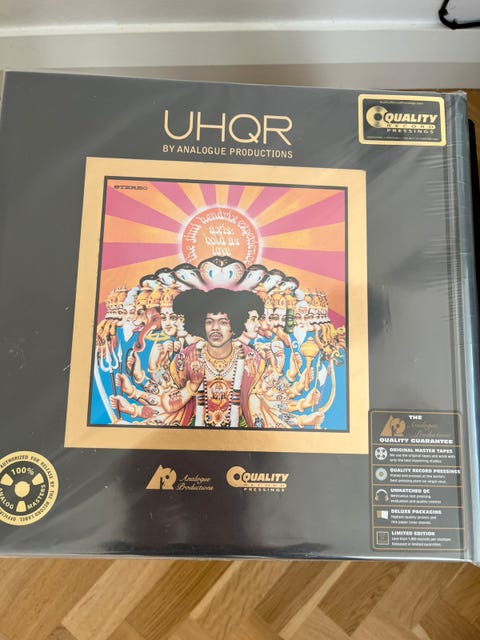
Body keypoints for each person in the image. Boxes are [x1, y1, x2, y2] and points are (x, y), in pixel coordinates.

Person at [165, 288, 265, 427]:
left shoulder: (251, 359)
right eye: (209, 322)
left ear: (235, 325)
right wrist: (192, 386)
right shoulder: (186, 357)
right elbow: (167, 404)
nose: (215, 328)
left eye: (223, 322)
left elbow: (256, 406)